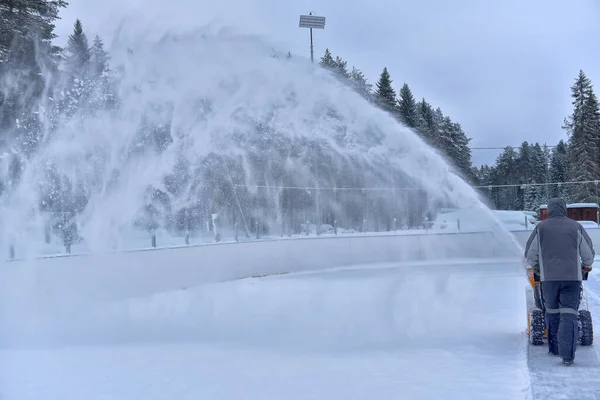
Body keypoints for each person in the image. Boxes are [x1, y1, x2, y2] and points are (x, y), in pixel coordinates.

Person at [524, 197, 595, 365]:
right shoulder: (575, 226)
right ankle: (568, 356)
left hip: (548, 280)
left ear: (549, 210)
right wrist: (586, 266)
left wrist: (537, 268)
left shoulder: (540, 227)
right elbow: (588, 255)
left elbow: (530, 254)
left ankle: (554, 350)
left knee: (552, 313)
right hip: (572, 279)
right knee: (569, 315)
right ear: (565, 209)